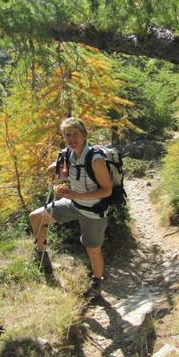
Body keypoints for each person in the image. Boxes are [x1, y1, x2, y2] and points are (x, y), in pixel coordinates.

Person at [29, 117, 112, 299]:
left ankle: (97, 283)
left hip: (93, 211)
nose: (72, 138)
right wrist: (56, 173)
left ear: (84, 135)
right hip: (73, 203)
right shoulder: (68, 154)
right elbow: (59, 172)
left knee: (93, 250)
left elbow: (107, 190)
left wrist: (76, 195)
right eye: (67, 135)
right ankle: (42, 259)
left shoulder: (95, 159)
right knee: (36, 217)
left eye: (75, 134)